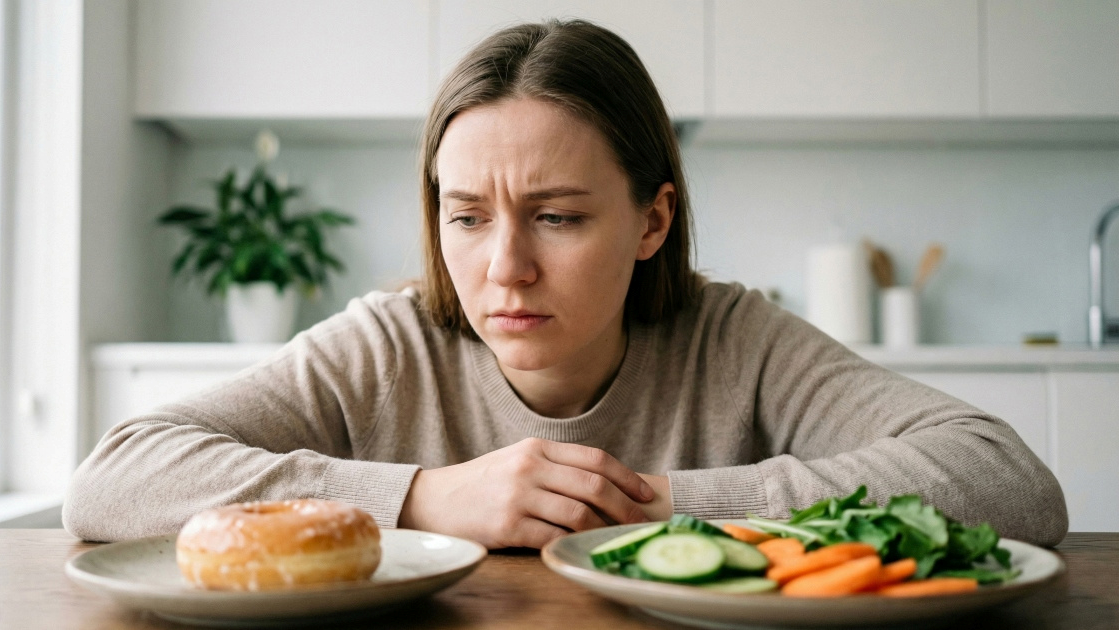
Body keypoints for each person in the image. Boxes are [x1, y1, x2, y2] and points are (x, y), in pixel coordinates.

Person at [62, 20, 1068, 549]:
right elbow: (114, 480)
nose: (505, 266)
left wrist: (664, 505)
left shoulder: (738, 339)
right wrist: (420, 499)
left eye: (557, 216)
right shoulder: (387, 345)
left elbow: (1006, 480)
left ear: (652, 221)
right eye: (467, 217)